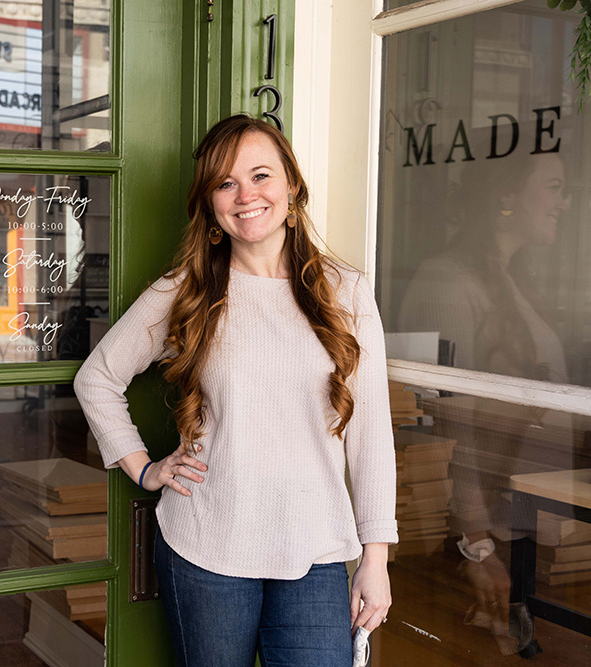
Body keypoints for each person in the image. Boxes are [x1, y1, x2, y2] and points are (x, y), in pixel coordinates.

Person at [74, 114, 397, 666]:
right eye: (226, 183)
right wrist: (145, 468)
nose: (246, 195)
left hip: (314, 551)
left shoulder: (347, 292)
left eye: (261, 176)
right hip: (206, 546)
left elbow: (371, 436)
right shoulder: (187, 291)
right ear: (212, 205)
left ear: (291, 186)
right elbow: (97, 378)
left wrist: (376, 558)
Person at [396, 150, 570, 657]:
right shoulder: (447, 282)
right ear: (505, 197)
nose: (565, 201)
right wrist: (477, 545)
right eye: (554, 186)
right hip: (488, 540)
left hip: (528, 525)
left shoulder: (514, 280)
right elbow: (452, 425)